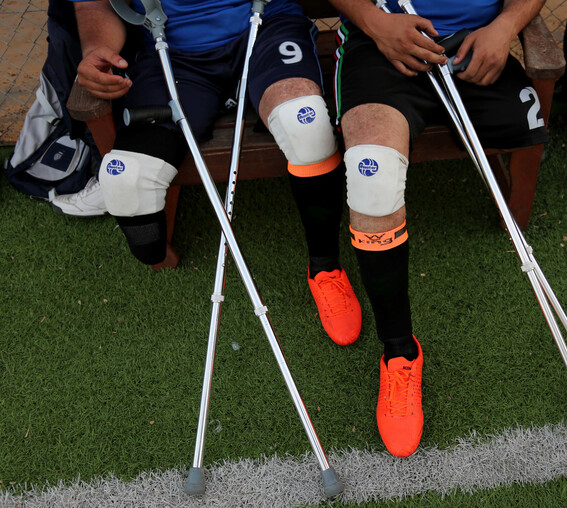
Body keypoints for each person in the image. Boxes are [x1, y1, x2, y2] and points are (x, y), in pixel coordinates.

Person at [69, 0, 361, 346]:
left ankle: (326, 268)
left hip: (266, 26)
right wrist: (97, 49)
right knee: (125, 178)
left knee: (305, 123)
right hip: (172, 49)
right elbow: (94, 4)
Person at [327, 0, 549, 456]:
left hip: (476, 44)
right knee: (373, 180)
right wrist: (375, 23)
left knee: (522, 128)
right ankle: (399, 353)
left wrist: (506, 26)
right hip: (385, 43)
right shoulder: (380, 31)